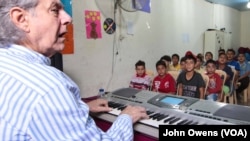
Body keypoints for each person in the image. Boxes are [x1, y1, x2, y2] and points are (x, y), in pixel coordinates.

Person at [0, 0, 148, 140]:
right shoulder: (49, 88)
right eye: (55, 10)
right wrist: (126, 117)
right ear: (21, 19)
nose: (68, 18)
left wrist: (79, 108)